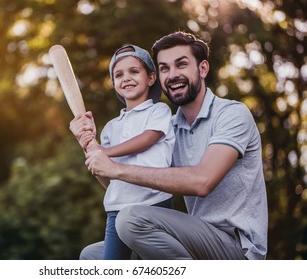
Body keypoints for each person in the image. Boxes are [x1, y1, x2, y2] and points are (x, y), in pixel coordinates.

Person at [70, 31, 268, 260]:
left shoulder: (232, 114)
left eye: (181, 64)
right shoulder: (170, 128)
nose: (172, 75)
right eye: (164, 68)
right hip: (190, 239)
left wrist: (116, 167)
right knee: (92, 257)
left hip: (236, 250)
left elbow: (202, 182)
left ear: (203, 69)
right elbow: (125, 186)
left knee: (130, 219)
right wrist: (89, 145)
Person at [76, 44, 175, 259]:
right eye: (118, 75)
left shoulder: (159, 111)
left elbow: (148, 138)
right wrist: (88, 145)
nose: (126, 78)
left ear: (150, 78)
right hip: (117, 207)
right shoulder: (111, 127)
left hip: (154, 203)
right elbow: (108, 176)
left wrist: (104, 151)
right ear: (113, 84)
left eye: (134, 71)